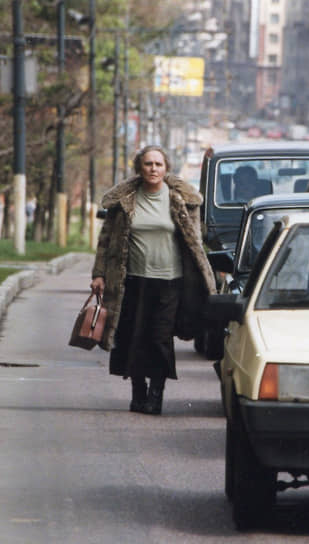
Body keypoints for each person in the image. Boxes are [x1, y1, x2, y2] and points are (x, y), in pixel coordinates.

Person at [90, 145, 216, 415]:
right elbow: (105, 241)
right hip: (132, 281)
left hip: (170, 282)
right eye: (148, 164)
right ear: (139, 168)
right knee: (133, 337)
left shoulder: (181, 201)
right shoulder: (125, 201)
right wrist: (99, 274)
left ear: (166, 168)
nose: (153, 169)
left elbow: (195, 242)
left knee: (160, 338)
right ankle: (138, 392)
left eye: (158, 164)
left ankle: (156, 394)